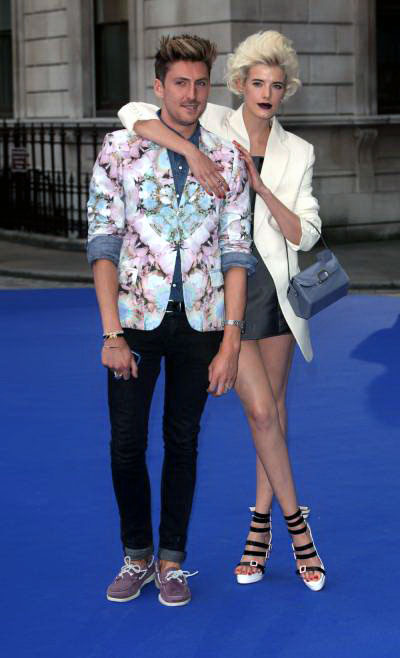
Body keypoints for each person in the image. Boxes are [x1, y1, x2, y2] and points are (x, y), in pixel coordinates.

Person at [118, 30, 326, 591]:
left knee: (273, 416)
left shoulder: (298, 152)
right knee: (261, 414)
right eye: (257, 83)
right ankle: (297, 528)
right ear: (239, 86)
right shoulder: (213, 122)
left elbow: (305, 232)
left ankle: (257, 532)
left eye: (277, 85)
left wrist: (259, 182)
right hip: (227, 292)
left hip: (277, 295)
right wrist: (187, 147)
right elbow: (134, 109)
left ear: (286, 93)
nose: (266, 93)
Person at [87, 34, 254, 607]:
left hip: (202, 325)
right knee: (126, 445)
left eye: (201, 83)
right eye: (180, 83)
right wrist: (111, 333)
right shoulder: (119, 149)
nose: (192, 94)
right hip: (133, 320)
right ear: (158, 87)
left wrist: (231, 342)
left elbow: (237, 253)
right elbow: (103, 245)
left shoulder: (228, 156)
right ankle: (136, 555)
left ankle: (172, 561)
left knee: (183, 442)